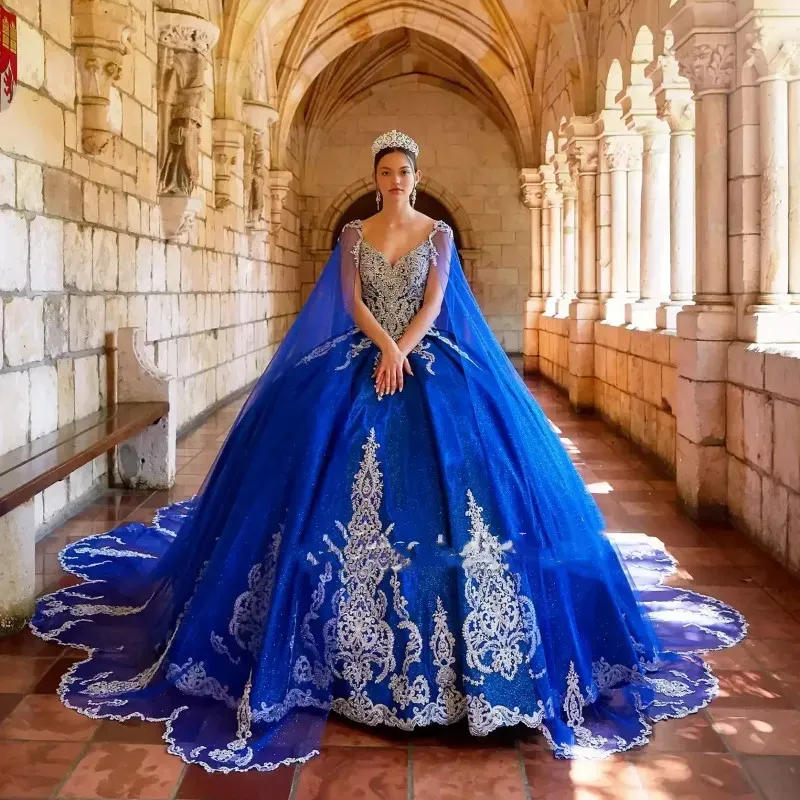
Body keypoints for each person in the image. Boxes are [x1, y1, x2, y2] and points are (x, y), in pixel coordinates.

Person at [32, 130, 746, 772]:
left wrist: (407, 349)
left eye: (405, 169)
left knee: (470, 495)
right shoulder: (351, 234)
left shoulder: (437, 235)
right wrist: (382, 347)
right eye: (387, 170)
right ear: (376, 177)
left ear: (415, 173)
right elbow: (350, 301)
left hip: (427, 358)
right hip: (364, 357)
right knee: (304, 486)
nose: (397, 179)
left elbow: (436, 304)